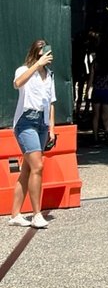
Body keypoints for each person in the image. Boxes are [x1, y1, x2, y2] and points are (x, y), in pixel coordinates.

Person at [11, 39, 56, 229]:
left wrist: (51, 128)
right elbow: (17, 83)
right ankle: (36, 214)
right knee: (37, 166)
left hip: (42, 122)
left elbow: (51, 102)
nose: (48, 53)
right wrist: (36, 66)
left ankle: (15, 215)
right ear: (37, 52)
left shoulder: (50, 75)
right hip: (25, 121)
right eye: (43, 50)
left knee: (28, 169)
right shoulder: (23, 70)